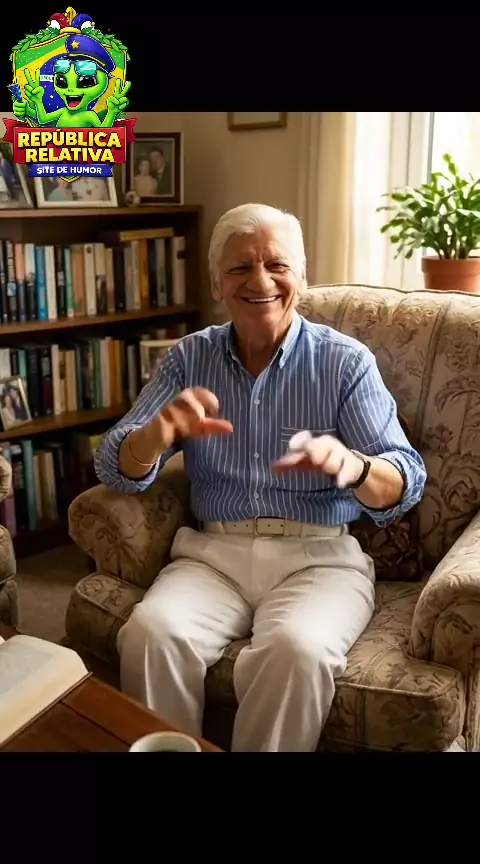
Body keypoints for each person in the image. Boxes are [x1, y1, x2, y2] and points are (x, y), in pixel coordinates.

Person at [95, 202, 427, 752]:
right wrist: (155, 435)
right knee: (152, 633)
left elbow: (405, 477)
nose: (260, 281)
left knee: (296, 651)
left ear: (302, 276)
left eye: (277, 265)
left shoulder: (345, 363)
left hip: (319, 559)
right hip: (213, 556)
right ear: (217, 284)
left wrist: (354, 466)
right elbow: (114, 465)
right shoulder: (189, 358)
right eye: (240, 267)